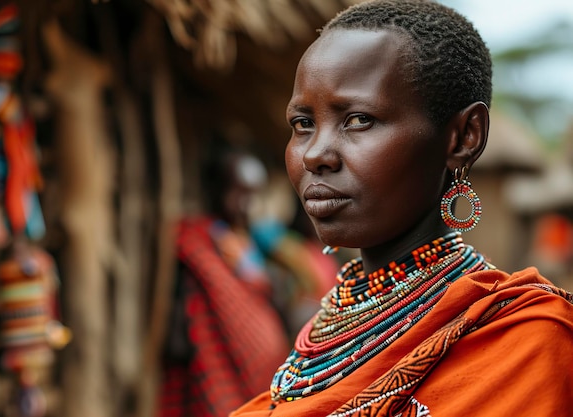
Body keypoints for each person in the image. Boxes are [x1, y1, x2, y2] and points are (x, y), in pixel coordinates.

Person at [230, 1, 573, 416]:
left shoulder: (525, 345)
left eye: (358, 120)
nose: (315, 154)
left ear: (464, 137)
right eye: (303, 123)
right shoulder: (319, 343)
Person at [159, 143, 290, 417]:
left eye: (253, 196)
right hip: (215, 364)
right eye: (238, 193)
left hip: (261, 375)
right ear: (215, 189)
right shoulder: (195, 240)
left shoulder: (244, 242)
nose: (246, 205)